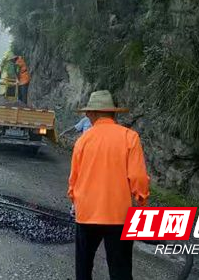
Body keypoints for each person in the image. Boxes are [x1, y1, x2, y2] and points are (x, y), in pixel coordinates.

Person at [68, 90, 150, 280]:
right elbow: (138, 178)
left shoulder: (83, 141)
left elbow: (74, 179)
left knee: (83, 268)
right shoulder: (130, 137)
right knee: (120, 270)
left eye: (89, 112)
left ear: (93, 113)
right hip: (118, 217)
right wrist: (141, 203)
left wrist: (75, 202)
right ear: (114, 113)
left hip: (86, 215)